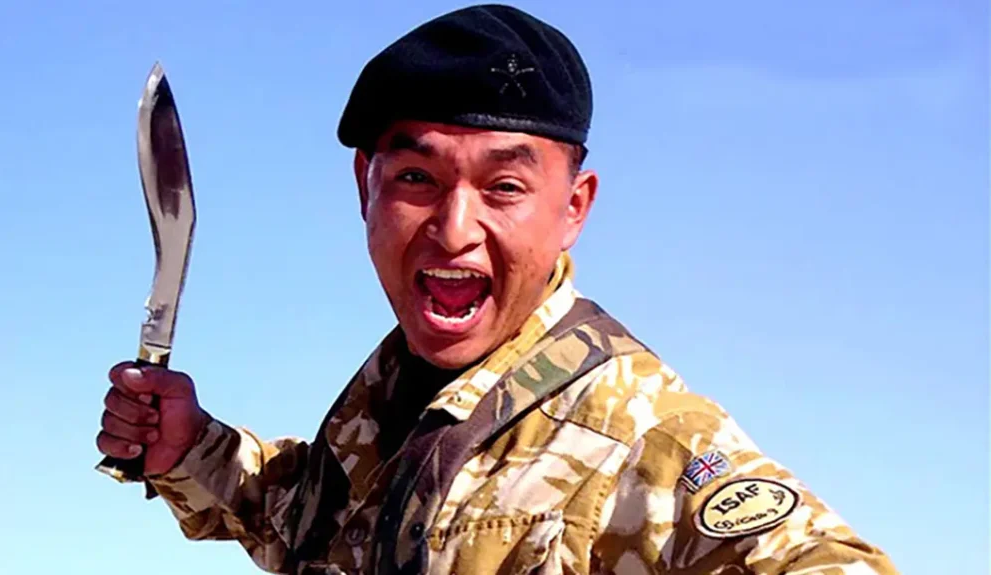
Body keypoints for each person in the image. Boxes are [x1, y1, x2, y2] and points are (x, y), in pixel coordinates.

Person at [95, 4, 900, 574]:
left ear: (573, 208)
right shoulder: (384, 407)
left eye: (504, 187)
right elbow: (309, 517)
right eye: (417, 177)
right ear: (364, 185)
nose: (454, 229)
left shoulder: (639, 434)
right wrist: (190, 444)